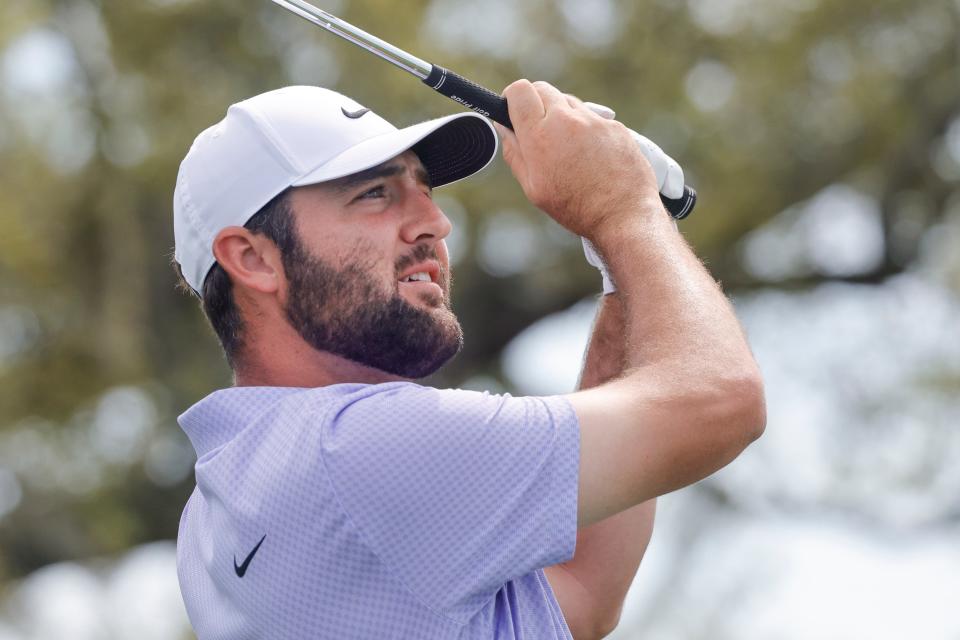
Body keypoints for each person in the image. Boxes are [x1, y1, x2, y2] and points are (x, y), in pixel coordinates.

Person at [171, 81, 765, 639]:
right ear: (251, 259)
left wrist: (619, 265)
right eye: (374, 194)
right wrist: (623, 209)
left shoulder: (212, 516)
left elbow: (582, 593)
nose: (434, 222)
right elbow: (721, 400)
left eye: (424, 191)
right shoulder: (357, 448)